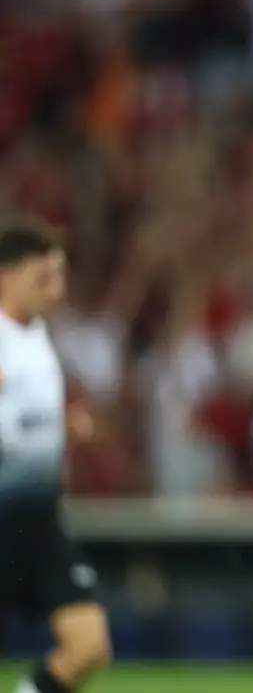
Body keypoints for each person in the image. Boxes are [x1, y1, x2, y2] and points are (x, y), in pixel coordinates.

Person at [0, 223, 112, 693]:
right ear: (6, 275)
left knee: (88, 648)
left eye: (59, 276)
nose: (57, 289)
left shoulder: (39, 337)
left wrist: (63, 426)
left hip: (41, 522)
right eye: (43, 277)